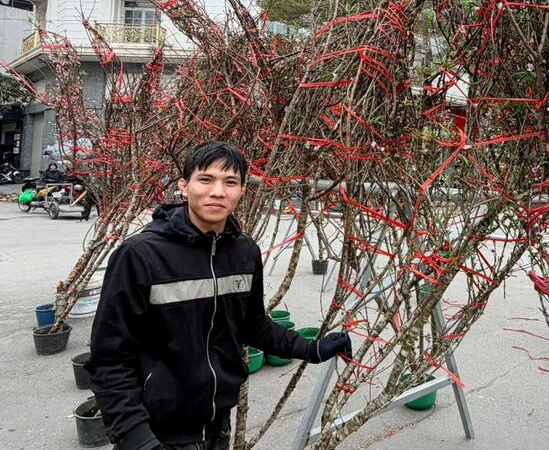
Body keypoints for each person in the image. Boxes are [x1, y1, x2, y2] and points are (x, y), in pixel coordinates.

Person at [86, 141, 352, 450]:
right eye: (206, 179)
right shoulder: (140, 256)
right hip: (158, 434)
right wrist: (138, 440)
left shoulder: (244, 253)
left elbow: (252, 326)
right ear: (184, 186)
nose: (218, 192)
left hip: (217, 428)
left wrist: (312, 348)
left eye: (230, 182)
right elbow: (108, 358)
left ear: (241, 191)